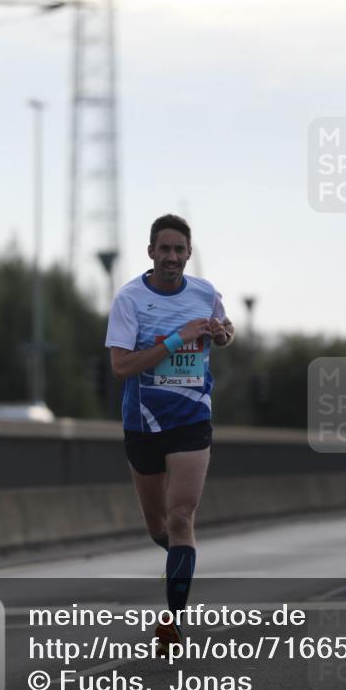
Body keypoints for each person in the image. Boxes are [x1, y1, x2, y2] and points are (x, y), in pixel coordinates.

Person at [105, 213, 235, 653]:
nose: (172, 257)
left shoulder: (205, 292)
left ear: (188, 254)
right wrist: (176, 341)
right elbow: (121, 366)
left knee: (182, 518)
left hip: (192, 420)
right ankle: (180, 565)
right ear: (151, 253)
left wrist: (221, 334)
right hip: (143, 422)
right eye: (165, 249)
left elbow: (227, 329)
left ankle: (173, 623)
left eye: (180, 250)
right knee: (158, 526)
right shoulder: (129, 299)